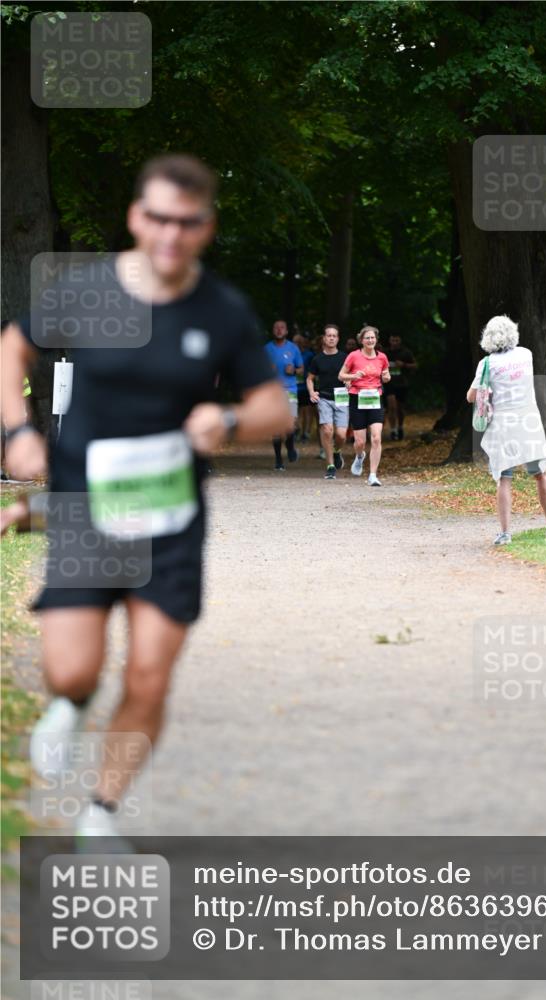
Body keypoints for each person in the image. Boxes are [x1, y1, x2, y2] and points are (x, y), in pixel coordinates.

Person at [0, 153, 291, 838]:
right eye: (158, 218)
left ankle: (100, 815)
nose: (170, 234)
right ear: (137, 217)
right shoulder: (89, 291)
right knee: (72, 669)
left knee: (150, 676)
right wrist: (17, 431)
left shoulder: (220, 310)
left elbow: (275, 409)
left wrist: (227, 421)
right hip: (85, 507)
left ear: (205, 228)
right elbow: (10, 348)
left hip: (170, 516)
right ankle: (69, 703)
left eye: (186, 223)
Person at [466, 314, 546, 545]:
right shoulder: (526, 355)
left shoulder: (486, 364)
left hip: (503, 425)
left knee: (504, 477)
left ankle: (505, 533)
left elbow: (471, 397)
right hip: (528, 421)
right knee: (541, 473)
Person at [339, 325, 390, 486]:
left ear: (376, 339)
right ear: (361, 340)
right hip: (357, 398)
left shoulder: (382, 357)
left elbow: (386, 376)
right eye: (367, 338)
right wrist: (354, 376)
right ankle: (360, 456)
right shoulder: (353, 356)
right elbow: (341, 375)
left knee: (376, 437)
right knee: (360, 441)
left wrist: (386, 376)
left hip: (375, 398)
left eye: (372, 337)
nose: (370, 340)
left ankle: (373, 475)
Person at [306, 324, 349, 480]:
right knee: (327, 430)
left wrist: (350, 383)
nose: (331, 338)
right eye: (328, 335)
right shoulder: (317, 359)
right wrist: (311, 392)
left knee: (341, 435)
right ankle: (330, 466)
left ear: (338, 339)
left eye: (334, 336)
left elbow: (350, 376)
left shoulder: (345, 357)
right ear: (324, 339)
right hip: (324, 398)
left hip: (342, 398)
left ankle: (337, 451)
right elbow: (309, 379)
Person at [264, 319, 303, 470]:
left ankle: (290, 445)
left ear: (286, 331)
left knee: (291, 424)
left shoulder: (293, 348)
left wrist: (293, 370)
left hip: (290, 389)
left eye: (282, 328)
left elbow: (301, 369)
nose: (279, 330)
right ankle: (278, 460)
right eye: (276, 328)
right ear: (273, 331)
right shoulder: (266, 349)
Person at [384, 334, 417, 440]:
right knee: (391, 406)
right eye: (393, 340)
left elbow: (415, 365)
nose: (394, 342)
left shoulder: (406, 352)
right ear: (389, 341)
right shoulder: (385, 353)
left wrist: (404, 365)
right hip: (389, 383)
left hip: (402, 383)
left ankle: (400, 427)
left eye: (397, 340)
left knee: (400, 408)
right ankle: (393, 431)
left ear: (400, 341)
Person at [293, 331, 316, 443]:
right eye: (294, 342)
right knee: (295, 410)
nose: (296, 344)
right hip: (293, 386)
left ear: (302, 343)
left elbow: (313, 370)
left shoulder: (309, 355)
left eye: (298, 342)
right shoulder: (290, 354)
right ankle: (297, 428)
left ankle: (305, 432)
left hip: (305, 387)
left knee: (306, 410)